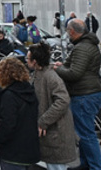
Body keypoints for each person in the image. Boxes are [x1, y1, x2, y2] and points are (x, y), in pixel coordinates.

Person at [53, 18, 101, 170]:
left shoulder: (82, 48)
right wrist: (63, 66)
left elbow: (75, 74)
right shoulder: (87, 45)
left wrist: (58, 69)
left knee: (86, 134)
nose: (67, 34)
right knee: (84, 131)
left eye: (68, 31)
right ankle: (86, 163)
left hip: (84, 94)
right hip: (88, 92)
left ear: (72, 31)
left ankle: (95, 166)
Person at [26, 43, 75, 170]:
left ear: (35, 61)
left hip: (56, 134)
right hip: (49, 136)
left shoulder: (51, 77)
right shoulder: (38, 74)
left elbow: (63, 101)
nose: (26, 61)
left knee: (57, 166)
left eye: (27, 58)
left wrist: (43, 121)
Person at [0, 57, 40, 170]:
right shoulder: (30, 91)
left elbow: (9, 124)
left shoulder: (9, 95)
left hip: (12, 152)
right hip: (29, 150)